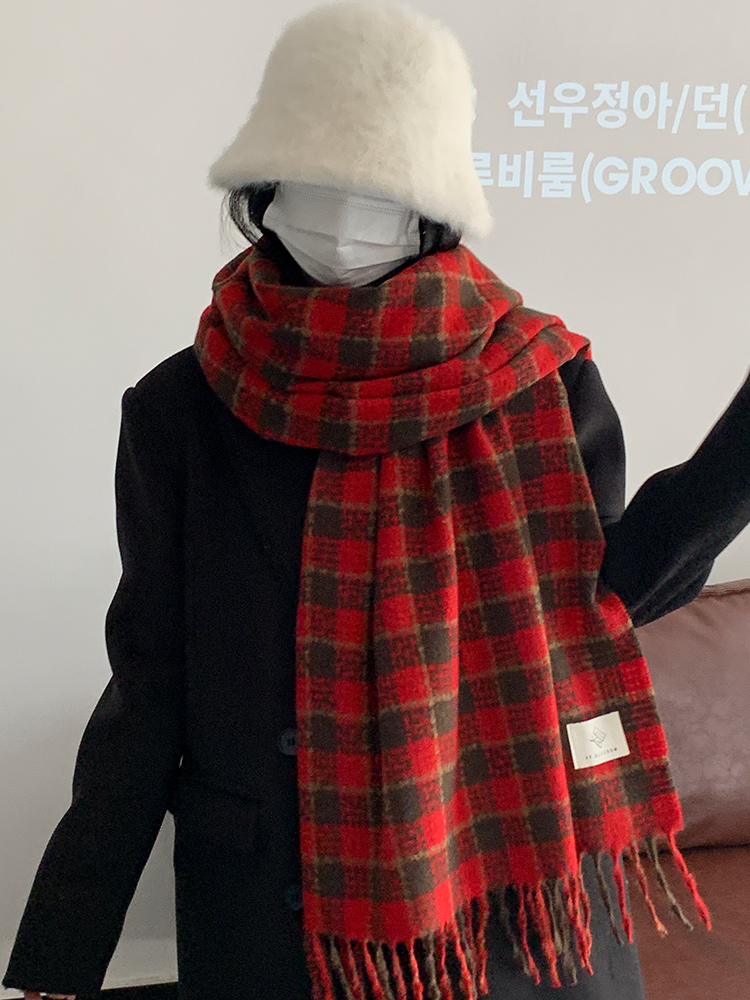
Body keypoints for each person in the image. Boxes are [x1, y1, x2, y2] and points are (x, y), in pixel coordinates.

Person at [4, 3, 750, 999]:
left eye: (381, 183)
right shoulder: (180, 409)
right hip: (273, 920)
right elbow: (149, 684)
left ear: (431, 204)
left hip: (506, 912)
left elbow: (600, 595)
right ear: (265, 184)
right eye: (317, 173)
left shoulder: (539, 382)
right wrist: (63, 948)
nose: (345, 209)